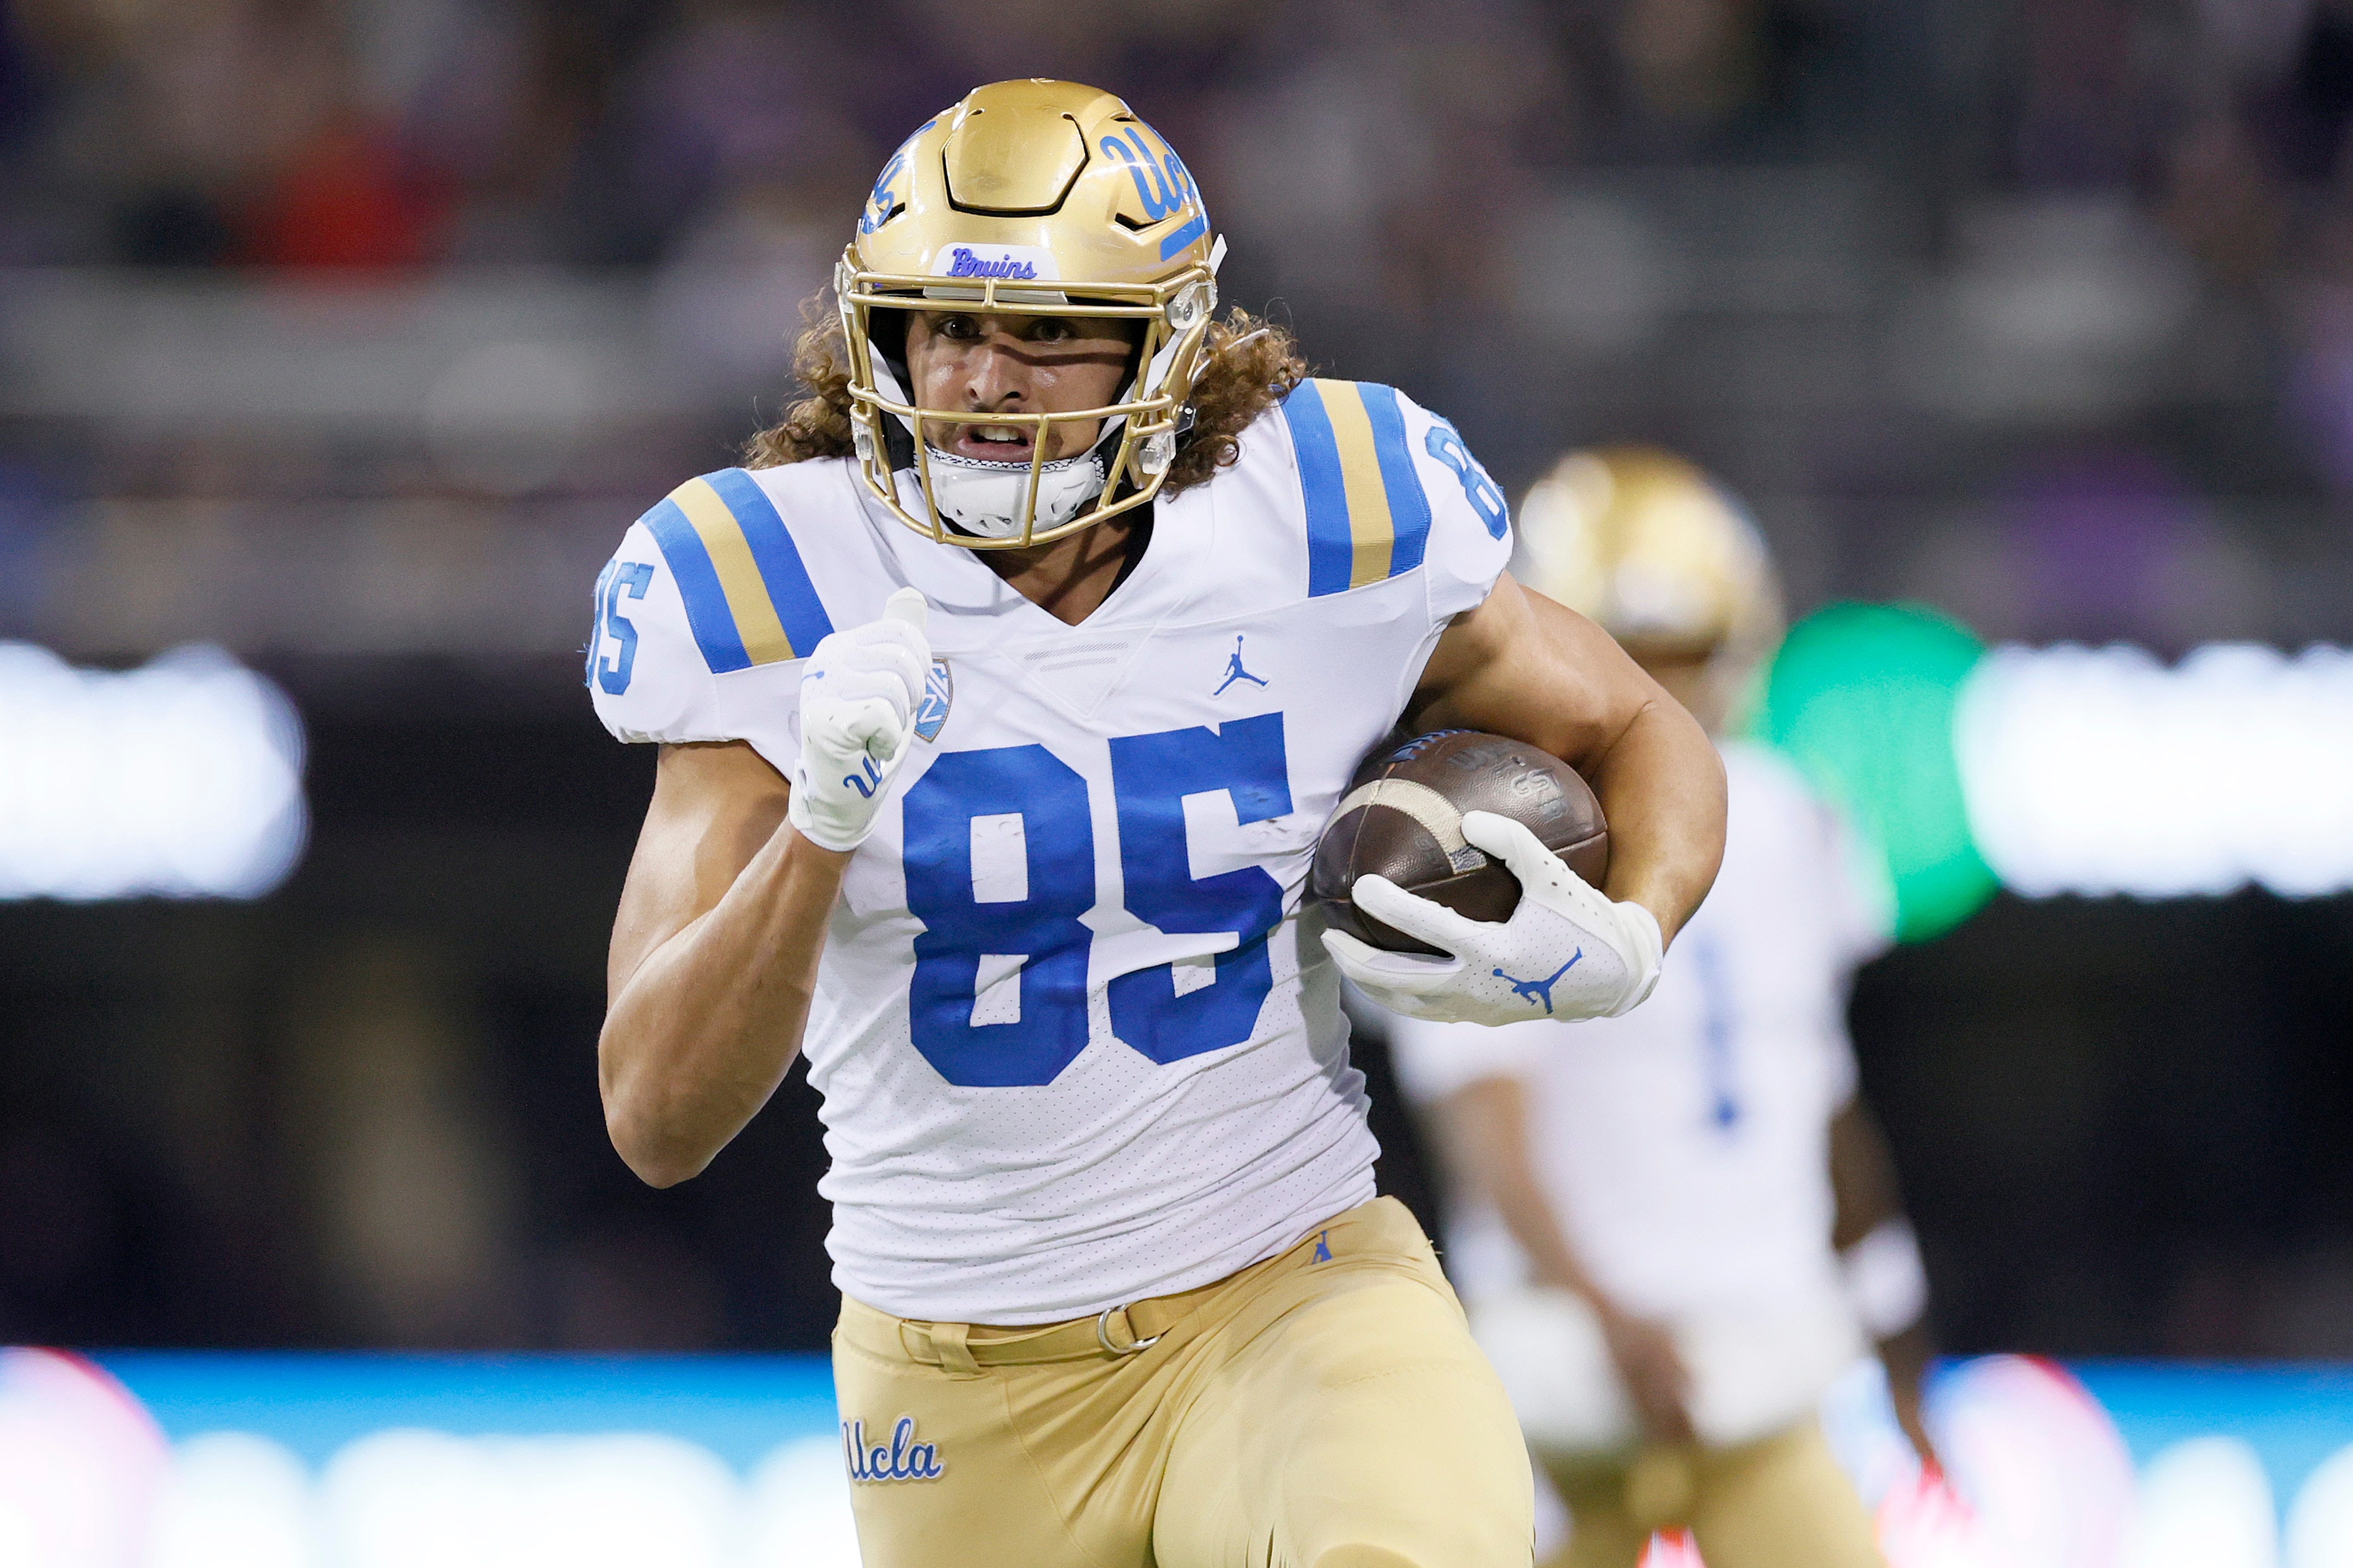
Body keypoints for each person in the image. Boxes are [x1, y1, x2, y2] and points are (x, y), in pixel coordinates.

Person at [586, 82, 1728, 1568]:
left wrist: (1634, 931)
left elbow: (1643, 726)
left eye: (1049, 330)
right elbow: (655, 1116)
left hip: (1294, 1288)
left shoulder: (1317, 508)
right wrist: (820, 825)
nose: (985, 379)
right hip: (955, 1386)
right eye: (944, 326)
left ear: (1170, 350)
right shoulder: (762, 578)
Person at [1383, 448, 1937, 1568]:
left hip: (1767, 1351)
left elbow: (1818, 1096)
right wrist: (1607, 1316)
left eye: (1688, 658)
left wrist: (1895, 1325)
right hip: (1572, 1374)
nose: (1665, 698)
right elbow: (1483, 1124)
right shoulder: (1479, 831)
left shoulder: (1790, 820)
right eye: (1635, 658)